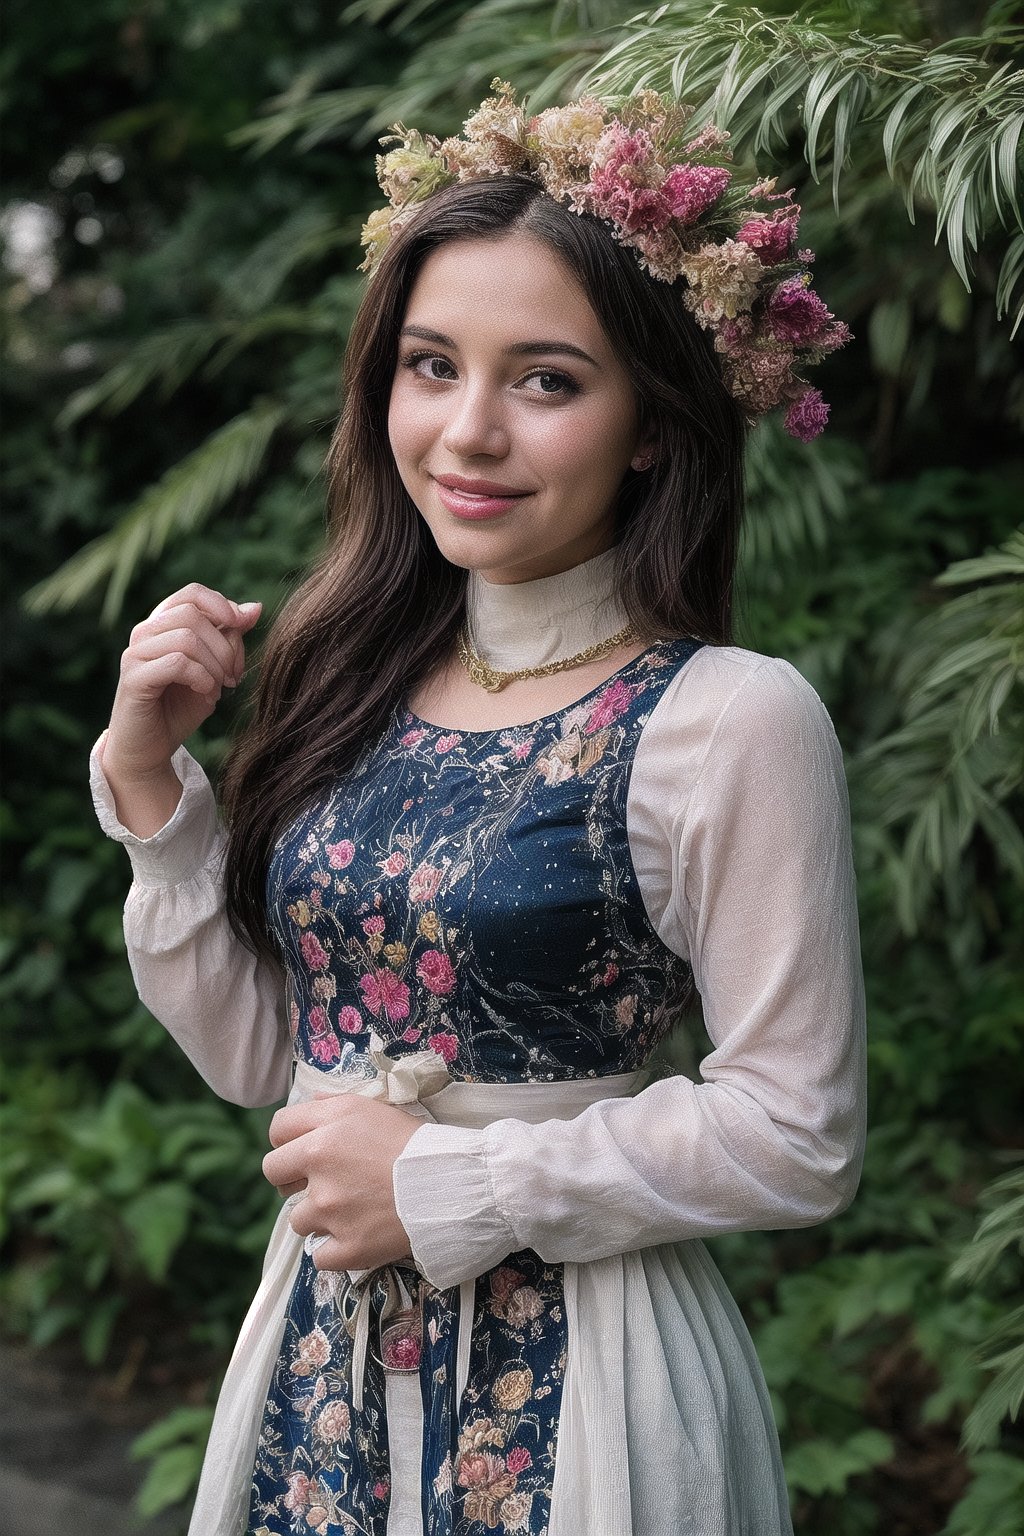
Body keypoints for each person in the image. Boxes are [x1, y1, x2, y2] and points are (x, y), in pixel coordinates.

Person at [90, 83, 865, 1536]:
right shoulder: (353, 674)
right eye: (432, 366)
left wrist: (458, 1183)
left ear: (652, 421)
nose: (468, 433)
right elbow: (275, 1057)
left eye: (548, 380)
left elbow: (800, 1129)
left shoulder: (729, 718)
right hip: (316, 1375)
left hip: (598, 1392)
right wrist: (153, 792)